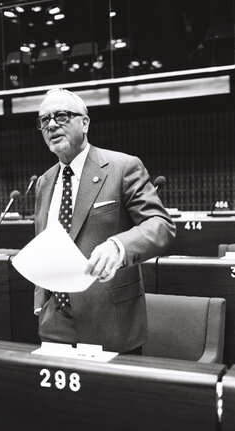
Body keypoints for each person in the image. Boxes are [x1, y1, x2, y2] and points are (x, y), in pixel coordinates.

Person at [34, 88, 176, 354]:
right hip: (55, 324)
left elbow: (160, 224)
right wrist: (40, 301)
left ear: (84, 123)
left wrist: (118, 246)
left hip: (110, 322)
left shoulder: (123, 167)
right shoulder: (44, 182)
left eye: (62, 116)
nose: (52, 124)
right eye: (44, 120)